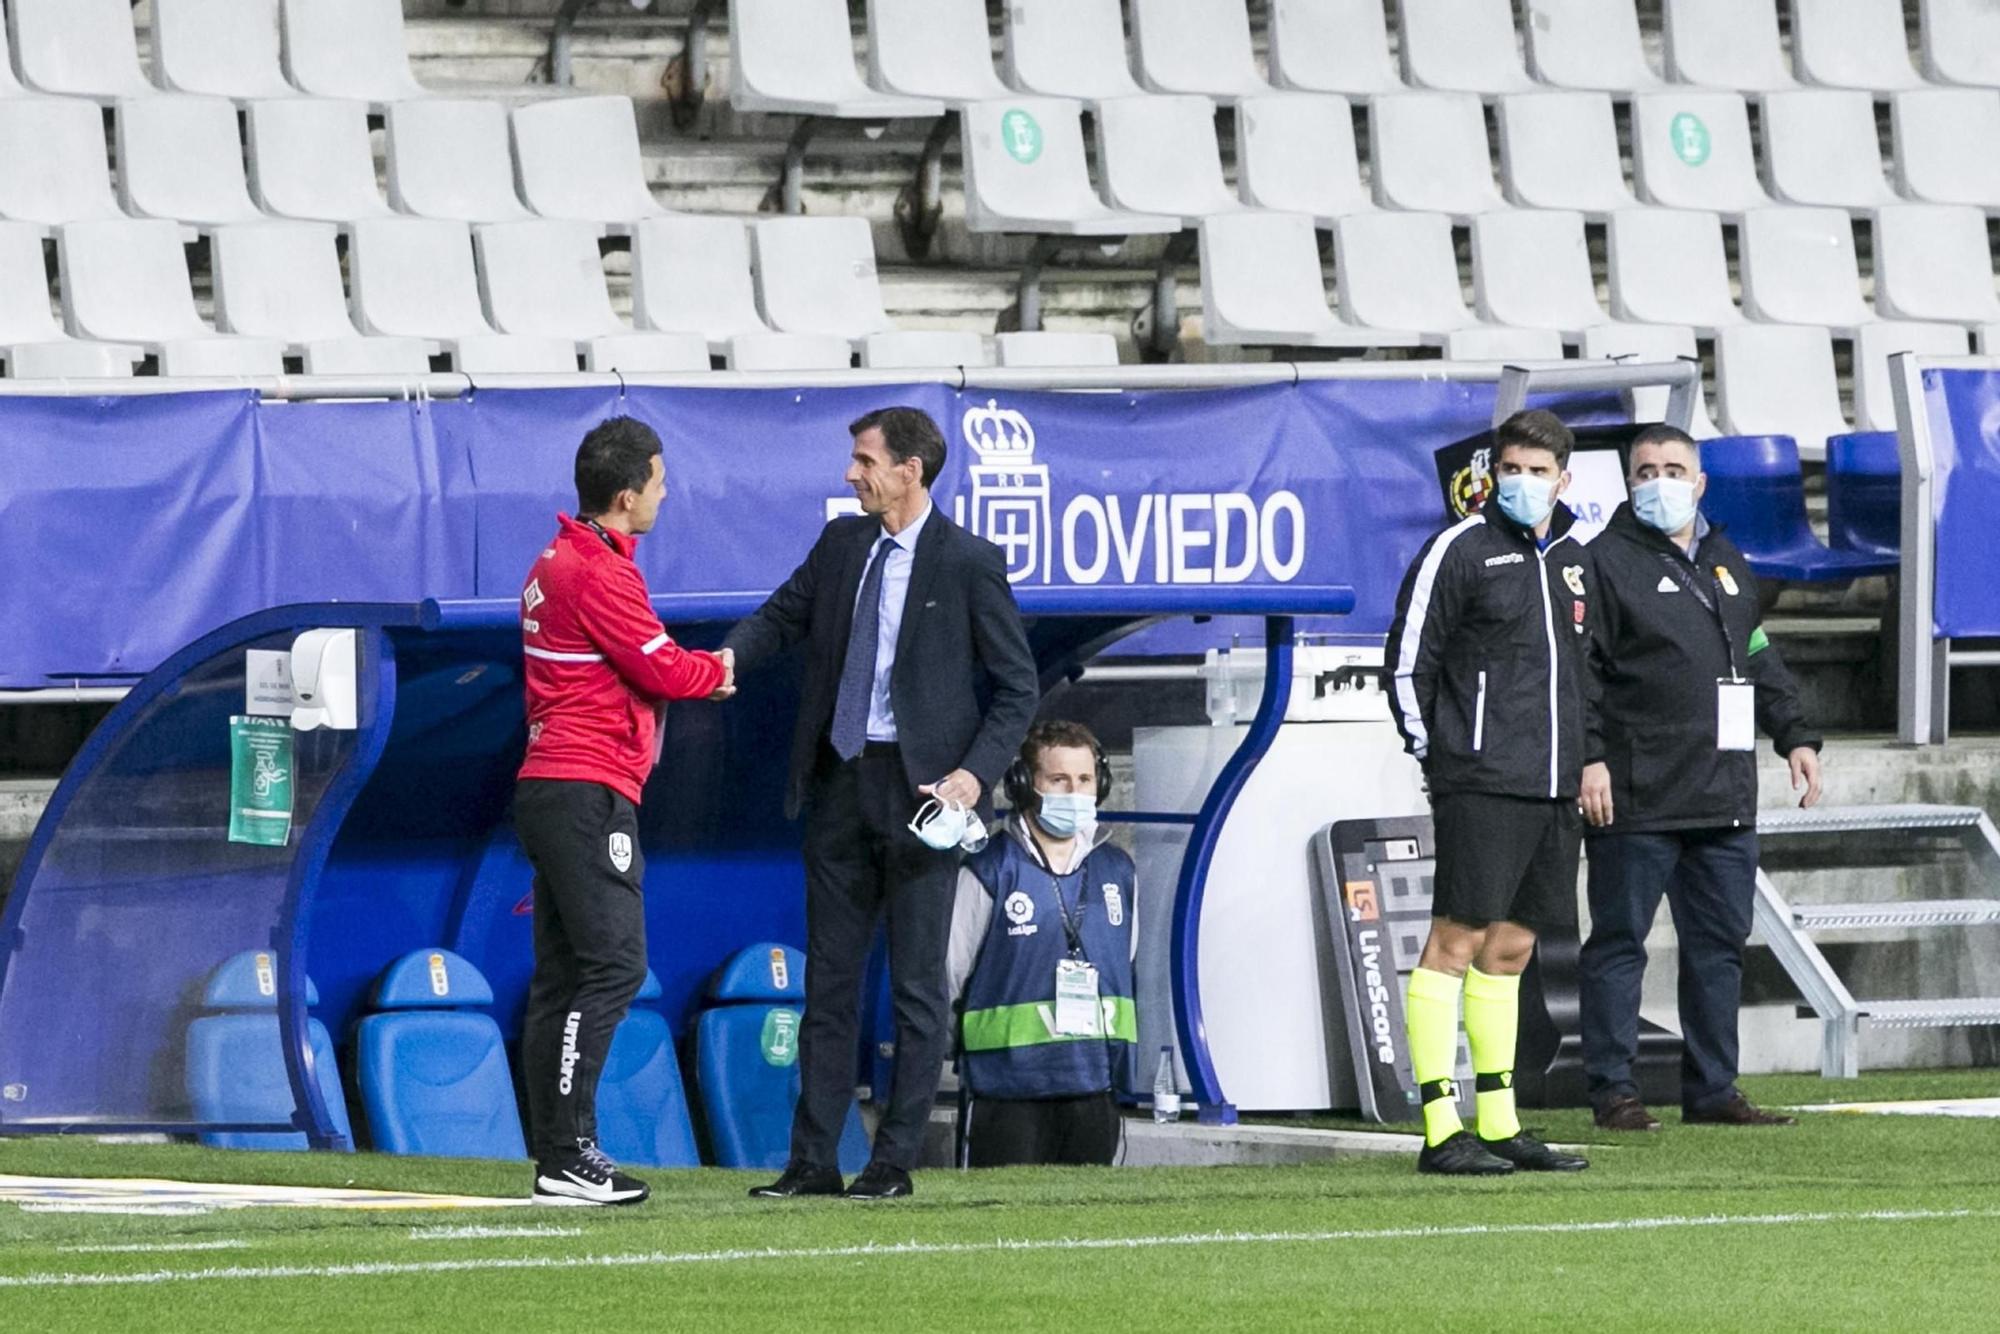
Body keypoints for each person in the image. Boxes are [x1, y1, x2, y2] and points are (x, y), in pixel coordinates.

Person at [725, 406, 1038, 1201]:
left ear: (911, 470)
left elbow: (1016, 688)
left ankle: (892, 1162)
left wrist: (973, 776)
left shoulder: (969, 561)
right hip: (838, 783)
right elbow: (781, 617)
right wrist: (722, 659)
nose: (850, 473)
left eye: (864, 460)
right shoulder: (841, 545)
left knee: (916, 987)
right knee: (828, 982)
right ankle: (813, 1162)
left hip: (924, 795)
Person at [513, 416, 735, 1206]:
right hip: (585, 787)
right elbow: (664, 668)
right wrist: (718, 670)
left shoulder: (558, 558)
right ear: (625, 493)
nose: (666, 492)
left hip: (555, 783)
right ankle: (570, 1153)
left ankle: (557, 1155)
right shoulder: (598, 571)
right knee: (612, 965)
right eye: (659, 479)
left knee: (565, 975)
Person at [1578, 424, 1823, 1132]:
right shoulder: (1603, 563)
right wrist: (1590, 757)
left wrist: (1795, 735)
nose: (1659, 480)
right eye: (1646, 469)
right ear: (1628, 480)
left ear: (1700, 480)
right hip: (1638, 788)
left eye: (1673, 468)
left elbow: (1755, 650)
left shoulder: (1725, 558)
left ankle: (1714, 1088)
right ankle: (1613, 1092)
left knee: (1719, 948)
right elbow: (1582, 675)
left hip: (1723, 791)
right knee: (1620, 943)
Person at [1385, 408, 1595, 1177]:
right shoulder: (1457, 549)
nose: (1524, 483)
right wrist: (1440, 759)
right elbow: (1410, 663)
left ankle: (1501, 1121)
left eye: (1539, 472)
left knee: (1511, 949)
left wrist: (1587, 760)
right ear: (1491, 473)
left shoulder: (1577, 557)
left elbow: (1587, 674)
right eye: (1512, 469)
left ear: (1564, 480)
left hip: (1553, 788)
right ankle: (1442, 1126)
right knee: (1456, 941)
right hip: (1480, 780)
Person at [947, 721, 1135, 1168]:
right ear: (1024, 785)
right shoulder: (989, 869)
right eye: (1059, 780)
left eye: (1085, 780)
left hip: (1094, 1084)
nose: (1075, 792)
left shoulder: (1118, 870)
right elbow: (950, 975)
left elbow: (1123, 961)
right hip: (1005, 1091)